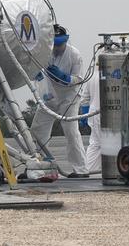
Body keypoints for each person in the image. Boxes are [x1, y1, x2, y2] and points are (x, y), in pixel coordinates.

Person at [30, 24, 89, 177]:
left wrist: (65, 78)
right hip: (49, 97)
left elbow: (79, 78)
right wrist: (35, 73)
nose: (58, 47)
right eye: (55, 44)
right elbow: (33, 70)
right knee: (38, 129)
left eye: (61, 44)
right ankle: (40, 168)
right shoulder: (44, 53)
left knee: (71, 132)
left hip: (69, 97)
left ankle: (81, 169)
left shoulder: (74, 55)